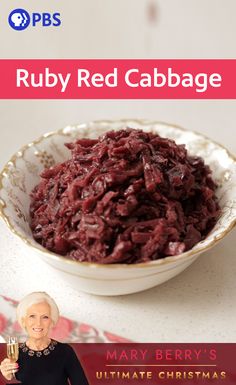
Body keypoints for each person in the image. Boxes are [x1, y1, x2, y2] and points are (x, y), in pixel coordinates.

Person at [0, 292, 89, 385]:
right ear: (23, 321)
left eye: (45, 317)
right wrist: (7, 373)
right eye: (32, 316)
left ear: (52, 322)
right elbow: (13, 376)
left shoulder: (65, 351)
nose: (38, 323)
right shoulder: (16, 353)